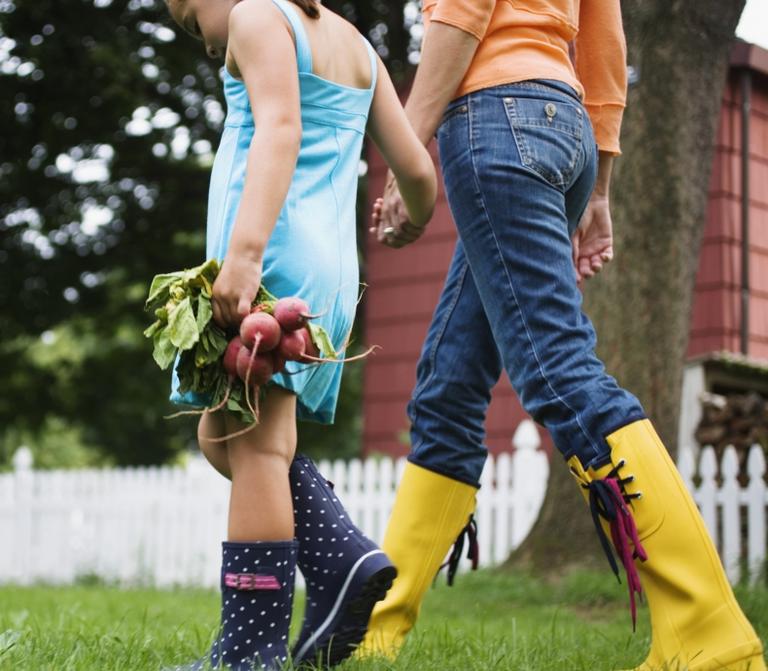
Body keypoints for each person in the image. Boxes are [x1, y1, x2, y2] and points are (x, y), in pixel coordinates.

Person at [361, 1, 767, 670]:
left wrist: (411, 150)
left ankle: (708, 633)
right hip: (563, 126)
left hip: (496, 118)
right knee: (450, 388)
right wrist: (600, 184)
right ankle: (377, 635)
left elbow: (463, 8)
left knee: (556, 370)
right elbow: (605, 35)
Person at [163, 0, 437, 668]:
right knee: (229, 435)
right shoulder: (357, 48)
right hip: (332, 274)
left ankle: (251, 649)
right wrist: (412, 218)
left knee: (253, 448)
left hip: (273, 263)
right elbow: (420, 174)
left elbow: (279, 129)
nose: (201, 38)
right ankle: (340, 554)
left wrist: (246, 253)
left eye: (192, 17)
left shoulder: (261, 18)